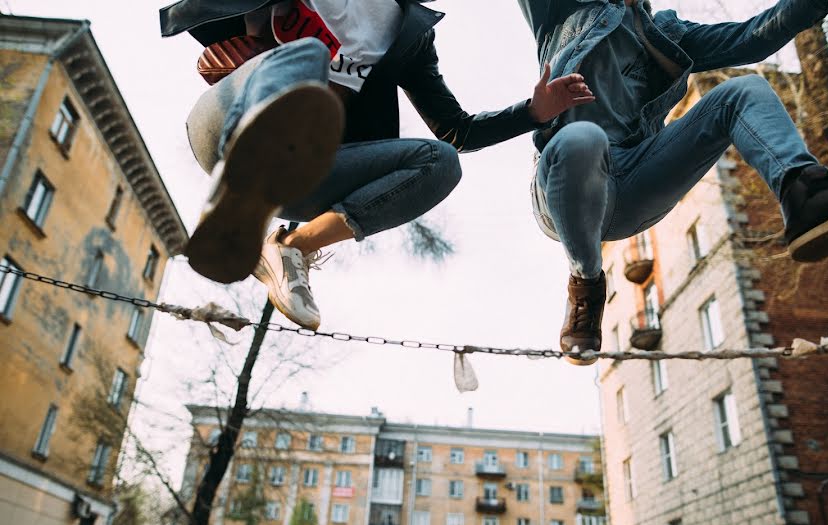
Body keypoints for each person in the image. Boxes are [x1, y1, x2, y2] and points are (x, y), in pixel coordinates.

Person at [159, 0, 594, 330]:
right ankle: (236, 185)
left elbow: (456, 132)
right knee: (307, 56)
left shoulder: (408, 34)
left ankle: (294, 246)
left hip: (302, 172)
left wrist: (533, 112)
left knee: (440, 163)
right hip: (224, 120)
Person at [515, 0, 828, 364]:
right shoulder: (563, 10)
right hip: (565, 187)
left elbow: (753, 37)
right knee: (584, 138)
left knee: (744, 90)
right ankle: (586, 281)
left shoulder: (667, 33)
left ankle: (804, 193)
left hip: (636, 182)